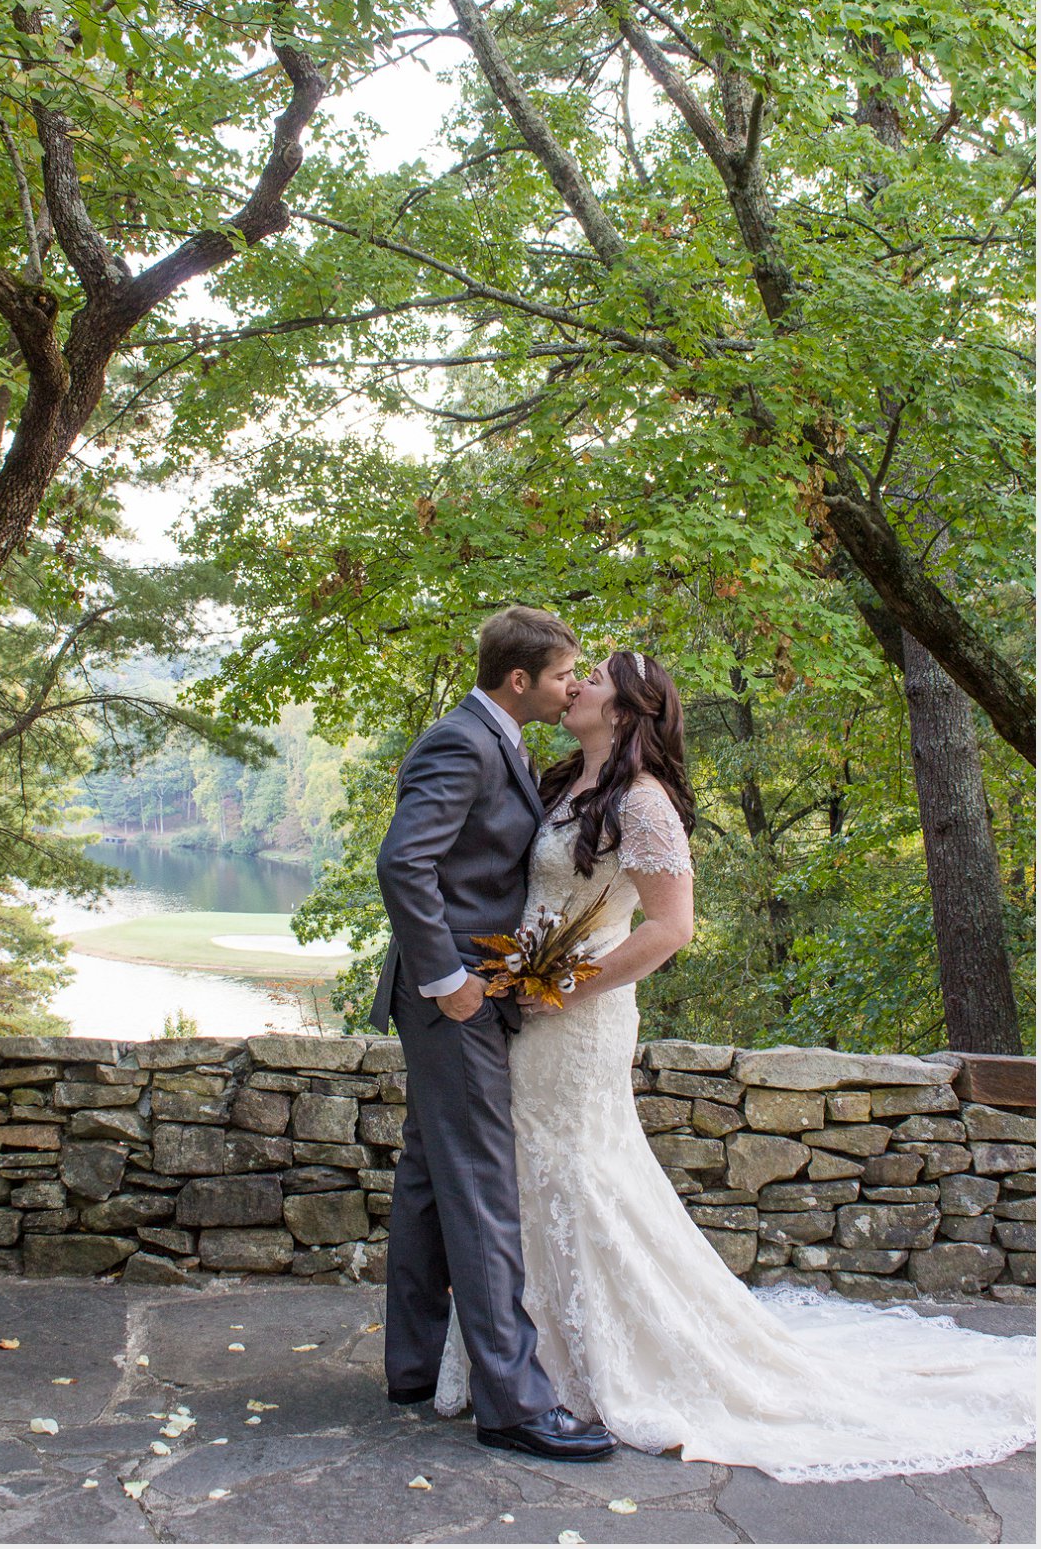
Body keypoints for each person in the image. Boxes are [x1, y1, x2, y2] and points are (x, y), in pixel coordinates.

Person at [434, 650, 1036, 1484]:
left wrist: (564, 985)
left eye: (594, 679)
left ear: (627, 709)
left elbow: (670, 927)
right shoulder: (567, 781)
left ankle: (586, 1369)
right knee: (533, 1175)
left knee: (573, 1172)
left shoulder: (643, 801)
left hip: (579, 1018)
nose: (576, 686)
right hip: (531, 1013)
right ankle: (532, 1364)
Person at [371, 606, 618, 1461]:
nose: (572, 687)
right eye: (563, 675)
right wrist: (450, 983)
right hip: (455, 996)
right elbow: (403, 861)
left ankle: (412, 1366)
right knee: (481, 1182)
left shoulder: (502, 741)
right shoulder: (462, 742)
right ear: (520, 680)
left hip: (477, 988)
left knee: (430, 1175)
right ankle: (513, 1403)